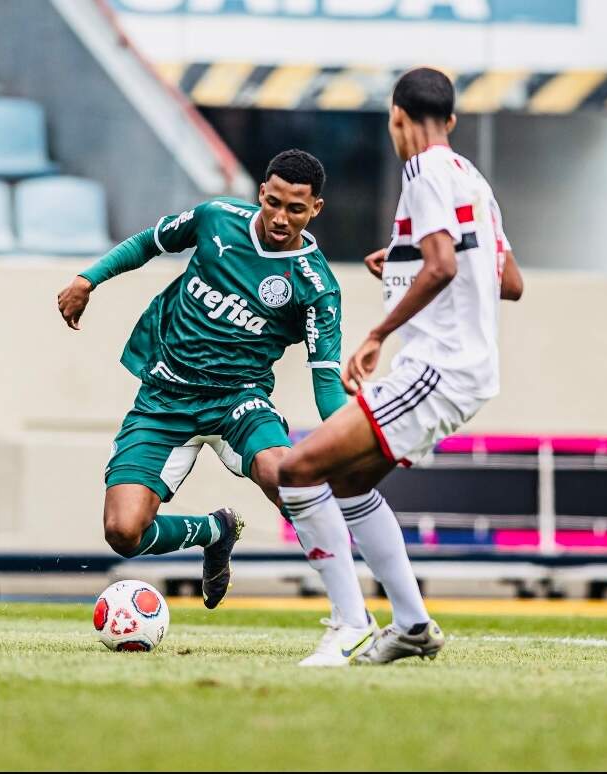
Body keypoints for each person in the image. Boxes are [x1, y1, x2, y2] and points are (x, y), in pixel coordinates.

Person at [56, 150, 377, 661]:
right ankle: (214, 530)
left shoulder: (316, 286)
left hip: (240, 403)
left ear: (315, 208)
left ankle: (351, 616)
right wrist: (86, 280)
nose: (279, 218)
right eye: (272, 202)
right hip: (165, 398)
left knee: (289, 478)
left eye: (295, 209)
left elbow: (325, 384)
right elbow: (148, 243)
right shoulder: (215, 220)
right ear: (261, 194)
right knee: (122, 533)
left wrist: (354, 439)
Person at [277, 67, 524, 665]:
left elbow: (441, 266)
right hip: (462, 371)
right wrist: (405, 258)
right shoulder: (472, 177)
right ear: (454, 120)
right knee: (351, 480)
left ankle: (348, 623)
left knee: (297, 467)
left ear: (397, 118)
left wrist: (376, 334)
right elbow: (509, 282)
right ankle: (411, 624)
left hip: (437, 368)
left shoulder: (423, 168)